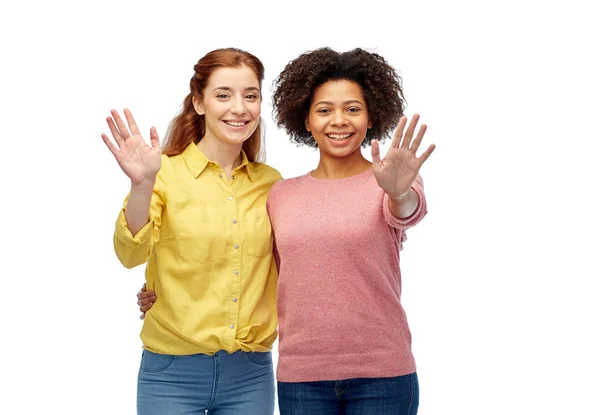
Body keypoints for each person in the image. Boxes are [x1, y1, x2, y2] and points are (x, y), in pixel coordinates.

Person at [139, 47, 434, 415]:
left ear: (371, 115)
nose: (339, 120)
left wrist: (399, 191)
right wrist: (161, 288)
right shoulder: (280, 193)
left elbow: (408, 211)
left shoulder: (390, 180)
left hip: (383, 375)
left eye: (353, 109)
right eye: (324, 110)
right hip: (302, 377)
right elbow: (255, 264)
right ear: (305, 120)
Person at [102, 48, 281, 415]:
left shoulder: (271, 184)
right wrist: (142, 185)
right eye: (223, 95)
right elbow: (130, 254)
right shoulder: (163, 174)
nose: (239, 108)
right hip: (171, 372)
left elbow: (299, 260)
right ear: (199, 103)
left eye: (250, 95)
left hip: (250, 375)